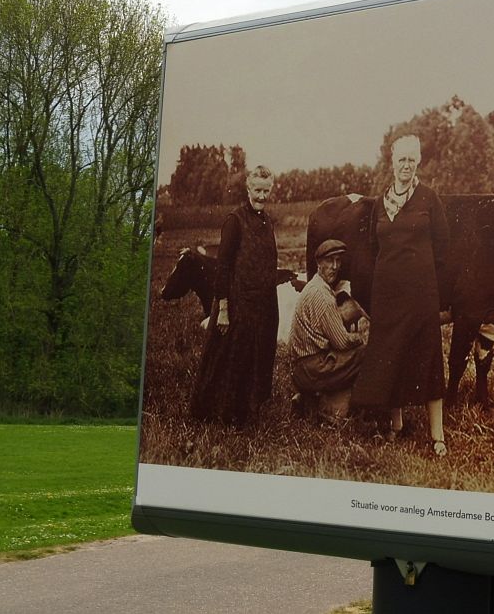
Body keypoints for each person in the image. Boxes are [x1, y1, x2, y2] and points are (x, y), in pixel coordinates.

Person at [351, 134, 450, 456]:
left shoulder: (429, 199)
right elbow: (373, 246)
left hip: (421, 294)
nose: (406, 166)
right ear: (391, 163)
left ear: (418, 162)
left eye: (411, 159)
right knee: (391, 355)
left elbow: (442, 249)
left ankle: (438, 435)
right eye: (401, 160)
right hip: (387, 295)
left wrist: (419, 275)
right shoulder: (380, 203)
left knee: (428, 357)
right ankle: (397, 425)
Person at [191, 165, 279, 426]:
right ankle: (220, 414)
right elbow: (224, 266)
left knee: (257, 356)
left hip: (262, 304)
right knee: (231, 359)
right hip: (237, 304)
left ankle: (247, 411)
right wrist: (225, 310)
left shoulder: (267, 222)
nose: (262, 196)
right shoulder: (235, 220)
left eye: (266, 190)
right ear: (248, 189)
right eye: (257, 190)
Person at [288, 239, 368, 422]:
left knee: (345, 358)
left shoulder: (313, 287)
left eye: (338, 260)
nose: (334, 266)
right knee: (365, 354)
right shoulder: (323, 296)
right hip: (313, 368)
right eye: (329, 261)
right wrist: (358, 338)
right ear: (318, 263)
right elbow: (341, 342)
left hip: (301, 366)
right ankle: (331, 410)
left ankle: (308, 400)